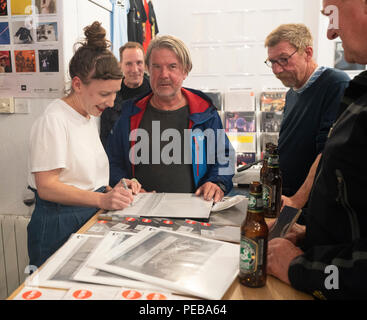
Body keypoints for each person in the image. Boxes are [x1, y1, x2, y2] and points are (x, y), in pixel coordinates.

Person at [267, 0, 367, 300]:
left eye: (333, 14)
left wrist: (302, 267)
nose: (331, 32)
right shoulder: (359, 91)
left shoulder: (334, 83)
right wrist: (313, 236)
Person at [27, 21, 141, 268]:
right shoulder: (54, 120)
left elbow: (82, 178)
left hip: (85, 215)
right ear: (77, 84)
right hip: (58, 223)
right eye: (104, 94)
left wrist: (115, 190)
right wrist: (102, 200)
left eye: (114, 93)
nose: (111, 102)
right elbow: (47, 187)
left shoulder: (89, 116)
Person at [106, 35, 234, 202]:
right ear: (148, 70)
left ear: (185, 70)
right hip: (138, 211)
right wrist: (125, 184)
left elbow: (224, 156)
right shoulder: (129, 113)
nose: (163, 74)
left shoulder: (204, 112)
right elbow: (112, 162)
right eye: (156, 67)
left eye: (172, 66)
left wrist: (217, 182)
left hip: (194, 212)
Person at [264, 24, 350, 211]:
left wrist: (297, 200)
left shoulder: (335, 83)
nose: (277, 70)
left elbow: (328, 152)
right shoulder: (292, 93)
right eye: (272, 62)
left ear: (308, 53)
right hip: (288, 199)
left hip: (312, 205)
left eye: (284, 59)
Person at [100, 41, 151, 149]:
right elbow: (106, 140)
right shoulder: (109, 97)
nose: (135, 69)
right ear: (120, 65)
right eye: (128, 64)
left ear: (145, 64)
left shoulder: (157, 93)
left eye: (139, 63)